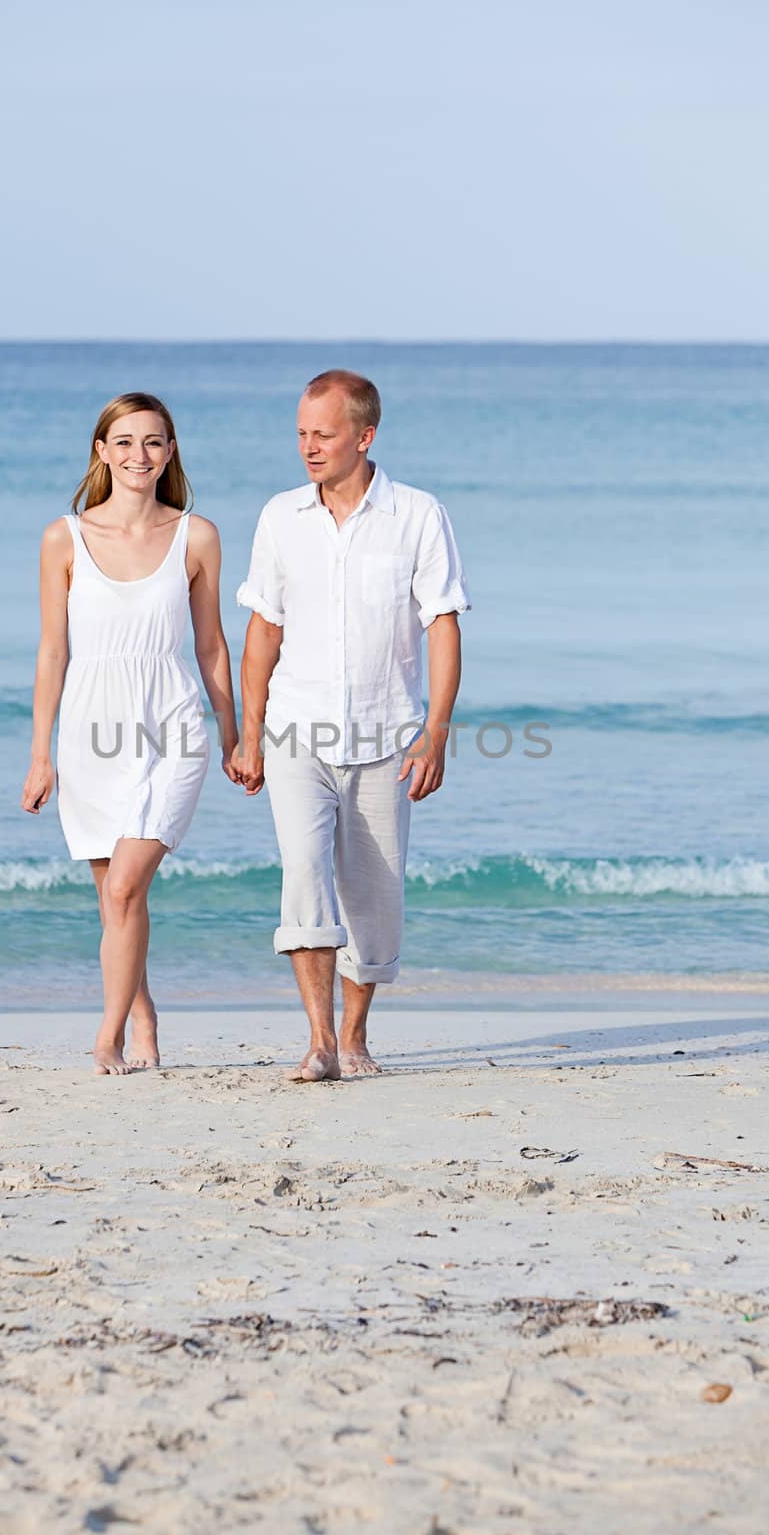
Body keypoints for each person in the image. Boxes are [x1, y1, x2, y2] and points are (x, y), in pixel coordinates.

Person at [233, 369, 469, 1082]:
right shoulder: (280, 517)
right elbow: (260, 632)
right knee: (303, 875)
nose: (308, 446)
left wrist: (437, 729)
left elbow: (443, 623)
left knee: (373, 894)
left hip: (385, 734)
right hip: (295, 731)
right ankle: (318, 1041)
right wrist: (248, 733)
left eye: (323, 434)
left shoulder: (418, 515)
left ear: (363, 437)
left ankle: (356, 1032)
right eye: (302, 433)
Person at [21, 392, 241, 1075]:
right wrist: (39, 755)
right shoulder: (64, 537)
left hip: (170, 724)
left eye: (152, 442)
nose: (137, 455)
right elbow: (51, 651)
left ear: (170, 451)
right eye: (123, 442)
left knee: (124, 890)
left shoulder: (195, 535)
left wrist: (235, 734)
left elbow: (211, 646)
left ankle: (108, 1035)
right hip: (88, 730)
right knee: (115, 899)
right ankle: (144, 1016)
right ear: (101, 451)